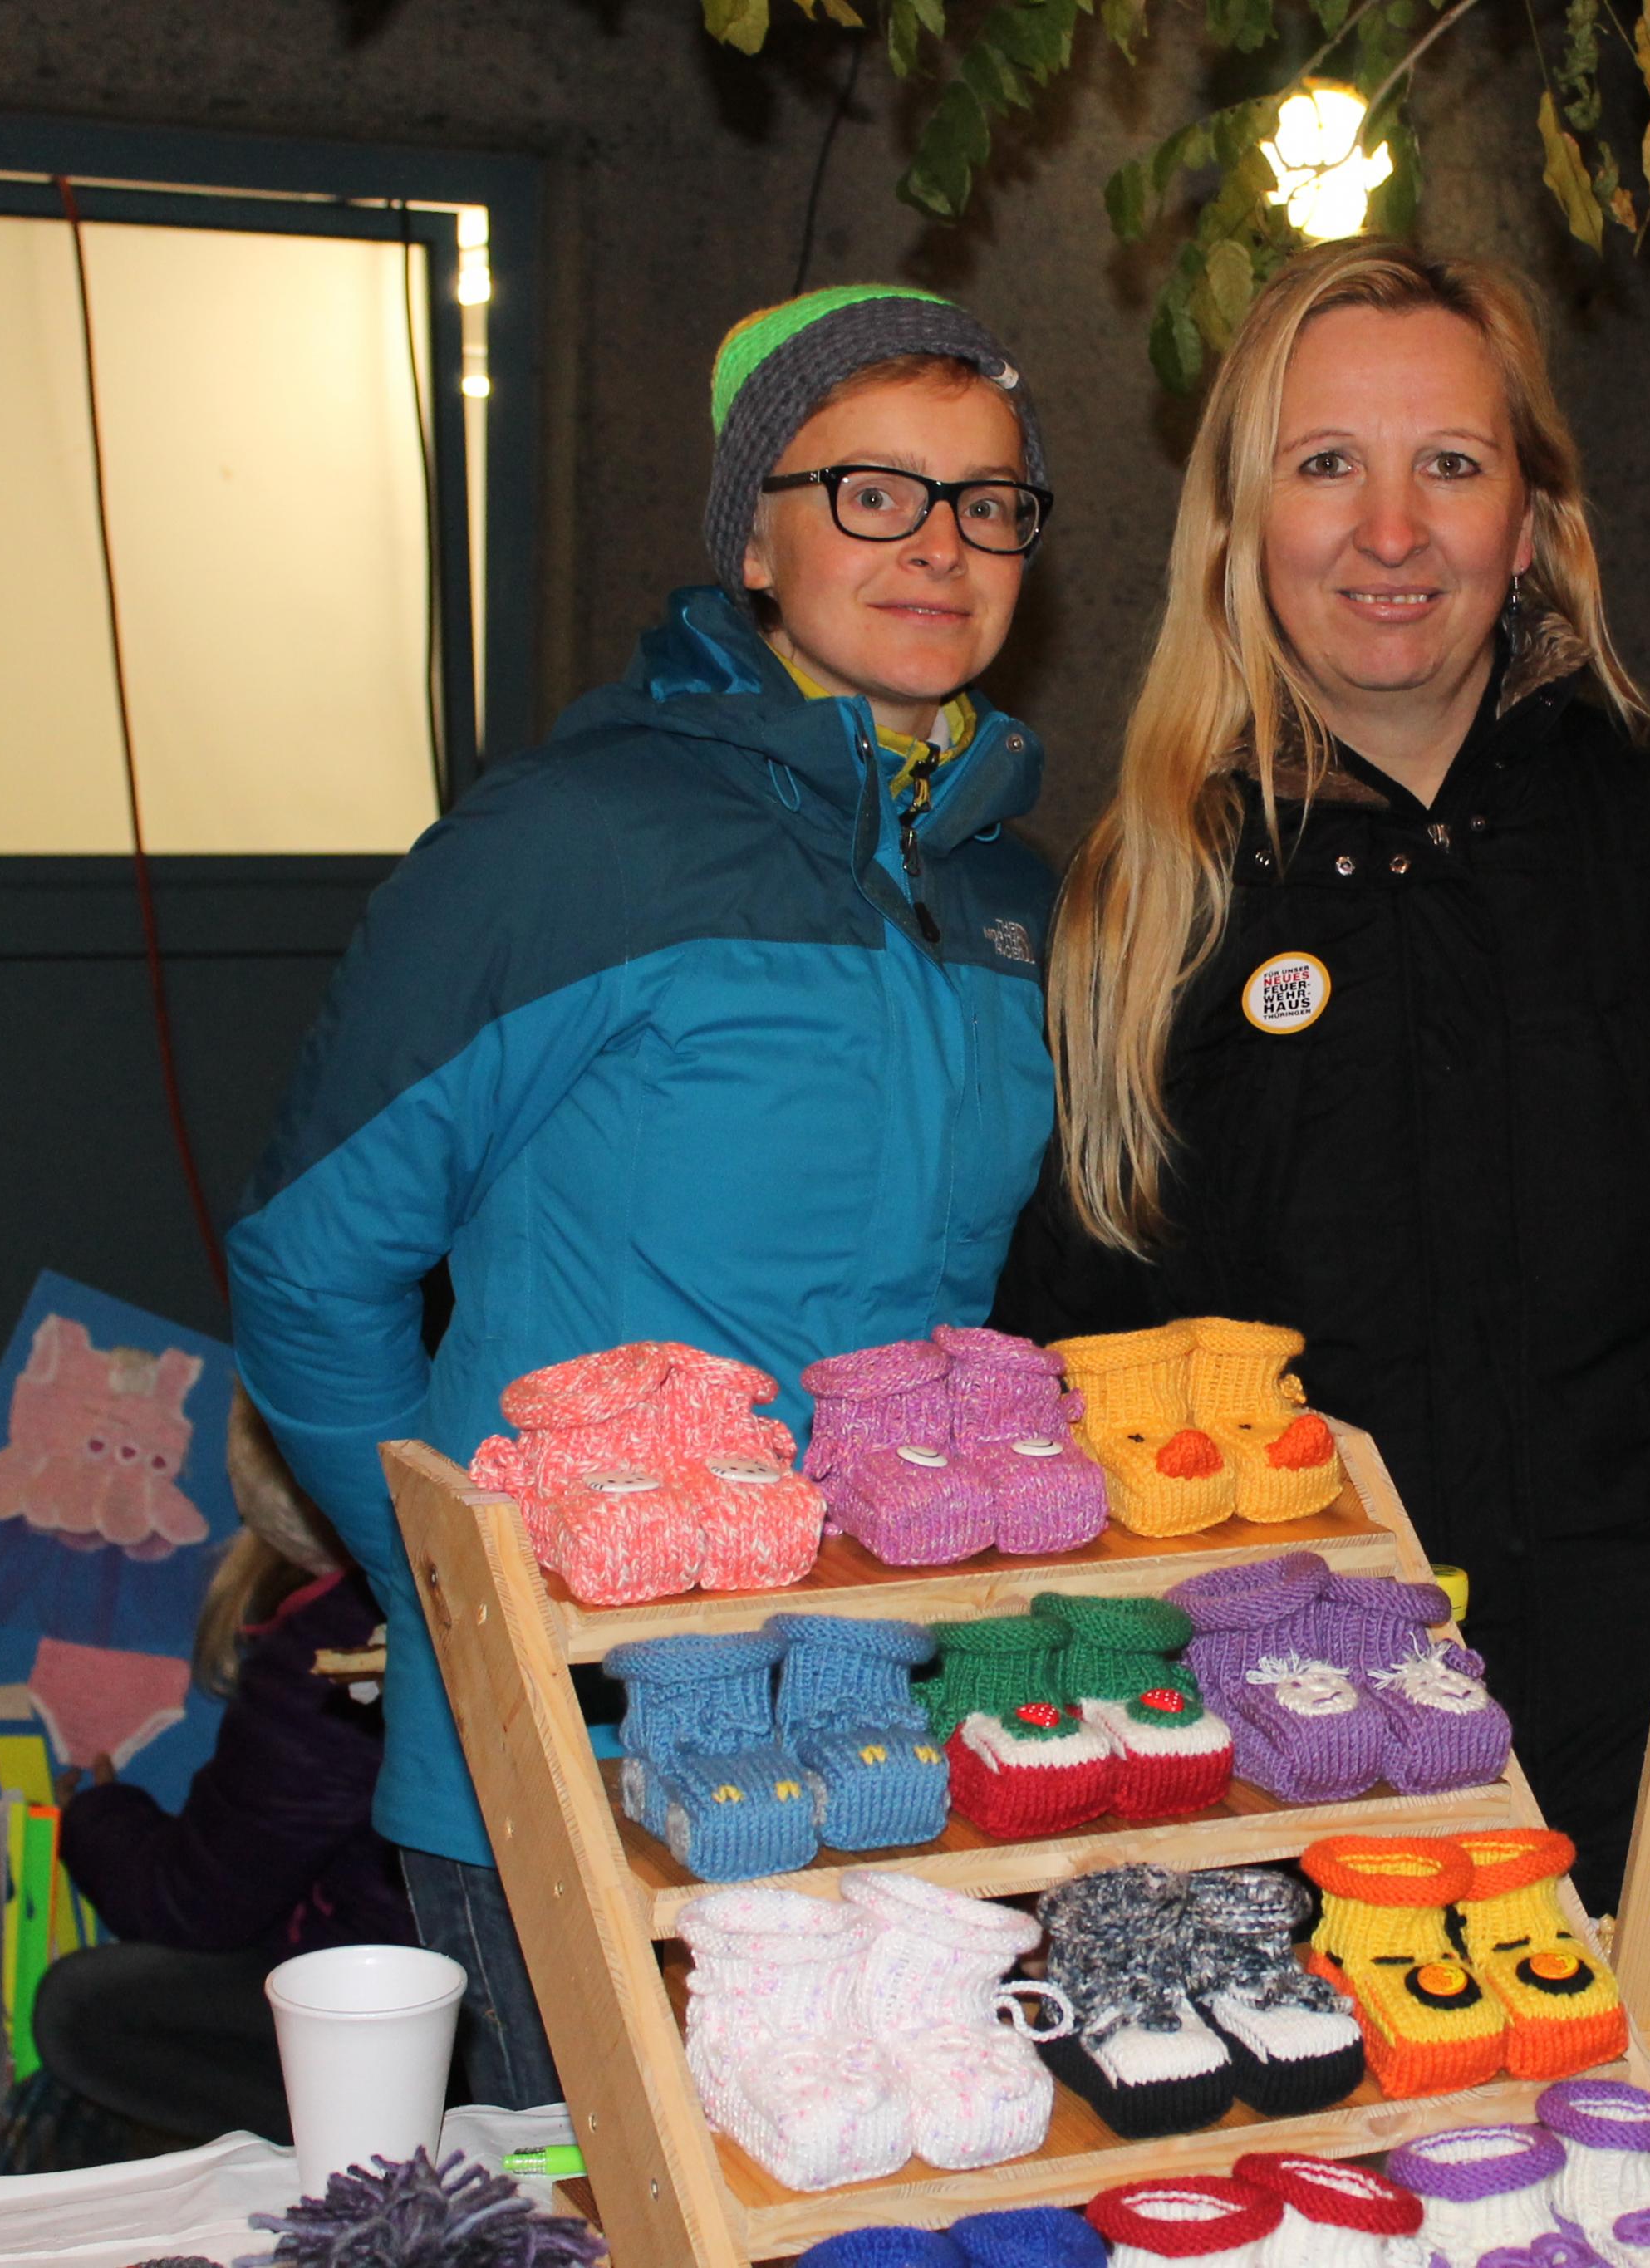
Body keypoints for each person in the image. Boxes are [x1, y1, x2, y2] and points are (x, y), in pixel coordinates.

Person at [995, 240, 1650, 1906]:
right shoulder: (1152, 901)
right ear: (1239, 528)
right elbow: (1081, 1369)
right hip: (1286, 1791)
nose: (1390, 531)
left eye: (1449, 464)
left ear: (1531, 521)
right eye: (1324, 466)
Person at [226, 283, 1062, 2104]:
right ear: (753, 539)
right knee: (620, 2207)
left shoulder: (1009, 889)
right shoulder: (572, 842)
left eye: (988, 502)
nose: (939, 546)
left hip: (891, 1721)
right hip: (588, 1736)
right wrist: (467, 1589)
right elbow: (309, 1261)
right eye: (872, 493)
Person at [10, 1400, 410, 2163]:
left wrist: (94, 1815)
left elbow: (193, 1904)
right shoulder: (373, 1610)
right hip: (477, 1983)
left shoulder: (332, 1649)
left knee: (80, 2007)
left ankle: (382, 2142)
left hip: (409, 2010)